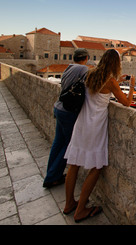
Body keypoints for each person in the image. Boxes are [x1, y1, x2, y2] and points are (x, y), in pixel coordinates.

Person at [63, 49, 135, 222]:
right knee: (97, 167)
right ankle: (80, 210)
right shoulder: (110, 82)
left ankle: (69, 204)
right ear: (116, 64)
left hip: (81, 124)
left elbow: (100, 87)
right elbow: (126, 103)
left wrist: (117, 81)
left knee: (73, 164)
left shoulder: (91, 74)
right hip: (95, 126)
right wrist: (131, 85)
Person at [43, 48, 90, 188]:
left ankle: (51, 173)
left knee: (58, 143)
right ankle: (52, 177)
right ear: (86, 58)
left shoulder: (68, 68)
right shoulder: (83, 69)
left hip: (59, 107)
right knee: (69, 144)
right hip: (69, 111)